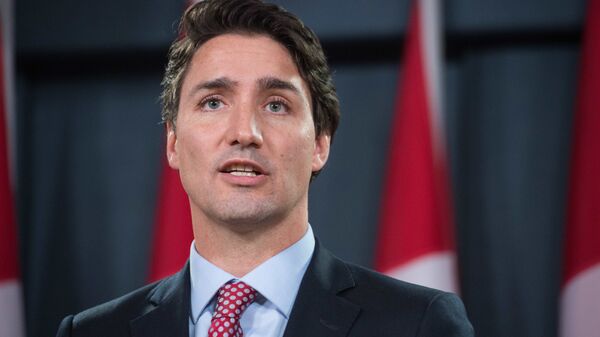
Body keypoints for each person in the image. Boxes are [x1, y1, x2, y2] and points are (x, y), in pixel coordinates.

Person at [56, 0, 474, 336]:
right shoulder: (92, 331)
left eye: (276, 105)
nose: (244, 132)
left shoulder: (420, 324)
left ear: (320, 143)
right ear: (174, 143)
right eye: (213, 102)